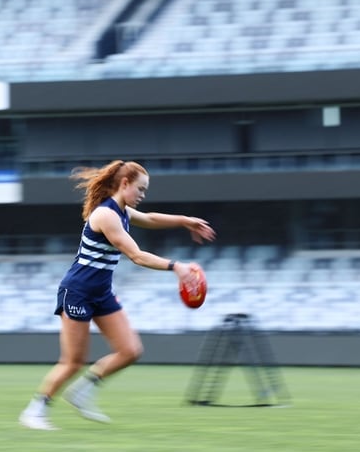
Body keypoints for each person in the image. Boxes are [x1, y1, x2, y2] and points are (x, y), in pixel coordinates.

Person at [20, 160, 216, 430]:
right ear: (124, 184)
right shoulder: (106, 215)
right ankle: (35, 411)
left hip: (101, 292)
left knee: (130, 350)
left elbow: (149, 219)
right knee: (72, 362)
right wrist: (176, 267)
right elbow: (136, 255)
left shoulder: (124, 211)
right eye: (140, 189)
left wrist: (185, 221)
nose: (143, 195)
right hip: (77, 292)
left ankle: (81, 393)